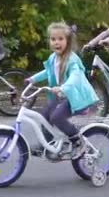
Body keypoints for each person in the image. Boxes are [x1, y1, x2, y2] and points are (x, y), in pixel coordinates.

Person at [27, 22, 99, 159]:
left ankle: (78, 142)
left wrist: (62, 88)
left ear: (67, 41)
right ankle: (47, 144)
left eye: (60, 39)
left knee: (56, 117)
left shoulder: (72, 60)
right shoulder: (54, 58)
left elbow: (75, 77)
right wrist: (33, 79)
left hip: (76, 98)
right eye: (53, 39)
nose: (56, 42)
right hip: (63, 96)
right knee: (45, 115)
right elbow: (47, 71)